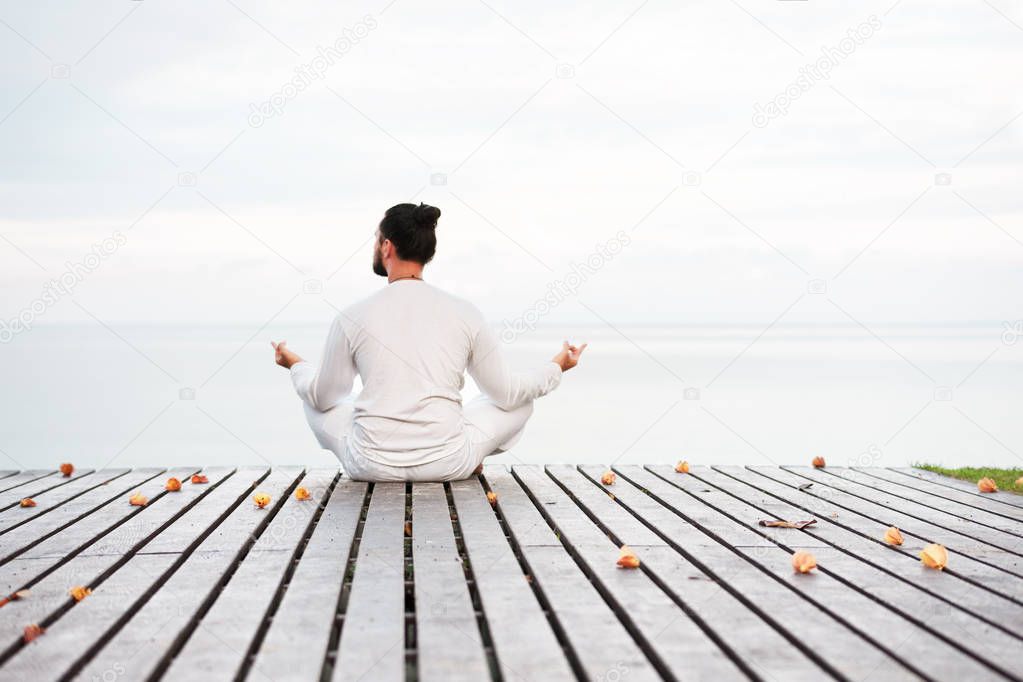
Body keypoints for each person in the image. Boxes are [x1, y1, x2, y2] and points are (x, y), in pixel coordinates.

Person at [271, 202, 586, 482]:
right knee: (519, 401)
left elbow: (324, 397)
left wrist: (296, 365)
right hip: (448, 462)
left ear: (386, 247)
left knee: (311, 397)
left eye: (376, 241)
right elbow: (507, 393)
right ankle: (468, 453)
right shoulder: (465, 312)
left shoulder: (351, 316)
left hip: (369, 464)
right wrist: (557, 366)